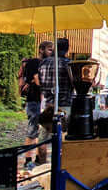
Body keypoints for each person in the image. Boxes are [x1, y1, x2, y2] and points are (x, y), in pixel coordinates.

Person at [23, 41, 51, 170]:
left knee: (41, 132)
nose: (51, 52)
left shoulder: (45, 64)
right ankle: (28, 160)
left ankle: (38, 159)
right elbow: (37, 80)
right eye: (49, 49)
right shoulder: (34, 62)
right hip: (34, 100)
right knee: (32, 131)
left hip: (41, 100)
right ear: (41, 49)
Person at [38, 38, 73, 139]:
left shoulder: (43, 62)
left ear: (54, 48)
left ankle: (41, 150)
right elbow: (73, 83)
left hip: (47, 104)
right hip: (64, 104)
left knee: (43, 137)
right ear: (67, 50)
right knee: (62, 136)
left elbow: (39, 81)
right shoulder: (68, 64)